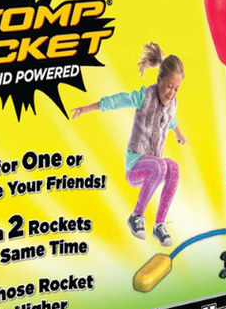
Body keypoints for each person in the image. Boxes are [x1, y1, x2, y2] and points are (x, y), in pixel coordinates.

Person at [72, 43, 188, 246]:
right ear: (159, 80)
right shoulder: (144, 97)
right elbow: (118, 101)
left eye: (176, 88)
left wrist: (179, 134)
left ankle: (159, 225)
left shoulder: (172, 103)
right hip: (135, 167)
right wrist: (87, 108)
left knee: (174, 168)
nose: (171, 92)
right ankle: (136, 217)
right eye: (169, 86)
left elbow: (171, 120)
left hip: (154, 169)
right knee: (160, 166)